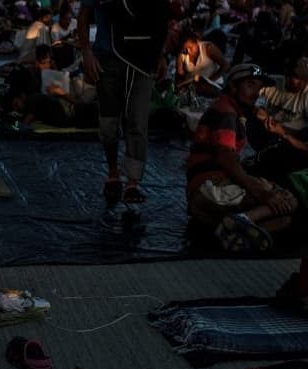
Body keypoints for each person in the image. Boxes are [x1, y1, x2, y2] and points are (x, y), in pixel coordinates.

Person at [186, 63, 299, 252]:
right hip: (209, 189)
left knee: (283, 219)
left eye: (258, 87)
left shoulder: (232, 110)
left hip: (202, 196)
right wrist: (261, 191)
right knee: (287, 200)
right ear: (233, 86)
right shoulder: (226, 112)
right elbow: (226, 158)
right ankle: (242, 221)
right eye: (250, 85)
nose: (256, 92)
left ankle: (233, 229)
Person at [78, 0, 171, 204]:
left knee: (138, 121)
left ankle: (132, 183)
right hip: (107, 58)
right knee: (109, 122)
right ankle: (113, 173)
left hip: (144, 59)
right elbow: (84, 14)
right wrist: (86, 52)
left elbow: (160, 17)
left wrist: (161, 55)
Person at [176, 30, 230, 97]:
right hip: (194, 88)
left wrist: (210, 81)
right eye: (185, 49)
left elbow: (225, 65)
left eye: (190, 48)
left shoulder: (208, 48)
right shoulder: (182, 55)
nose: (188, 51)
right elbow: (179, 75)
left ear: (197, 42)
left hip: (214, 84)